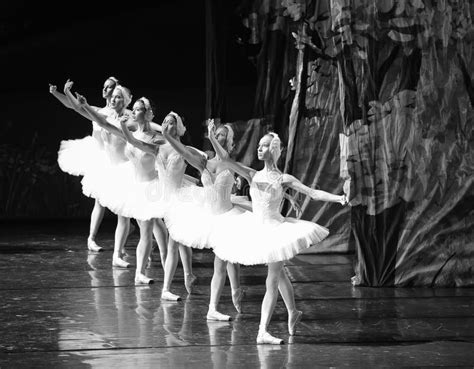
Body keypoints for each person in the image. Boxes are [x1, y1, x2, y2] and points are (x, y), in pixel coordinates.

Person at [210, 129, 347, 344]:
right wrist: (211, 137)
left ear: (273, 150)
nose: (259, 148)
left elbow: (312, 193)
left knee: (272, 279)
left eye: (264, 146)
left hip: (276, 230)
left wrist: (340, 198)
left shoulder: (284, 178)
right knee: (279, 274)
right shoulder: (252, 174)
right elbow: (226, 160)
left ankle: (262, 330)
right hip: (256, 228)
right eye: (259, 145)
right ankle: (293, 311)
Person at [77, 93, 169, 284]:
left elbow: (161, 146)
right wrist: (86, 106)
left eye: (138, 109)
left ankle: (152, 266)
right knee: (149, 227)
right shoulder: (131, 132)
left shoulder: (155, 138)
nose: (133, 112)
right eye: (133, 109)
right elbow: (104, 124)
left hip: (151, 188)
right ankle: (146, 267)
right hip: (136, 186)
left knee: (150, 227)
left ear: (147, 113)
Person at [162, 120, 244, 320]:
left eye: (223, 134)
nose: (218, 135)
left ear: (230, 140)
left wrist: (211, 135)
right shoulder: (204, 162)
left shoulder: (231, 163)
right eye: (217, 133)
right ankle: (217, 305)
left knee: (226, 260)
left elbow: (228, 159)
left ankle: (232, 292)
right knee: (224, 260)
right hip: (208, 215)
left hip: (227, 216)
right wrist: (168, 137)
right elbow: (183, 152)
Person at [119, 111, 197, 300]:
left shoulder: (184, 149)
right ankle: (180, 280)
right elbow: (135, 142)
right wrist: (123, 127)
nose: (166, 125)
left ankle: (174, 283)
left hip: (179, 199)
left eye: (171, 123)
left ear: (177, 128)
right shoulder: (157, 147)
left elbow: (205, 163)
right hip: (161, 198)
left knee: (175, 242)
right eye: (164, 122)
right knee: (176, 241)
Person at [50, 77, 118, 252]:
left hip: (118, 158)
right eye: (104, 87)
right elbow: (75, 106)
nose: (105, 90)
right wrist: (59, 93)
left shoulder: (121, 113)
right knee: (100, 200)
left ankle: (127, 233)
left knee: (121, 203)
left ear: (116, 91)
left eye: (109, 87)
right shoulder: (96, 110)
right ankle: (92, 238)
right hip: (102, 159)